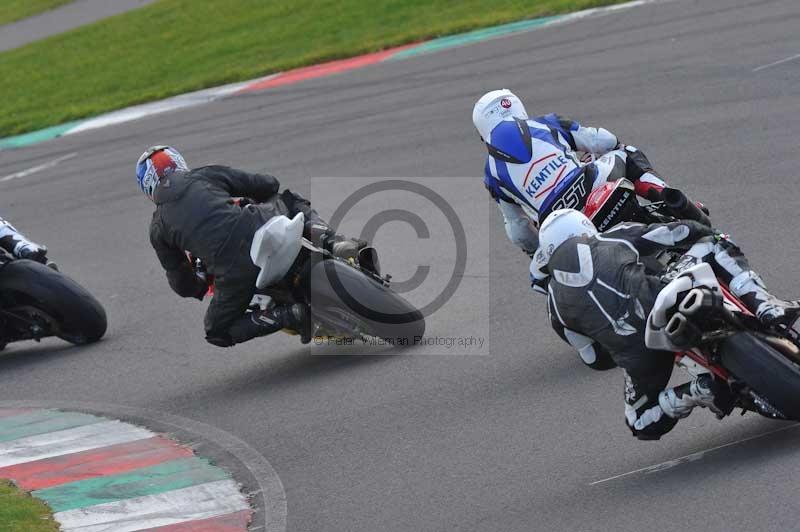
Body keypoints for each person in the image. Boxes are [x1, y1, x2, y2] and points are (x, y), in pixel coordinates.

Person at [535, 208, 800, 440]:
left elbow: (595, 359)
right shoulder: (610, 237)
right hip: (660, 298)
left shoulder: (554, 308)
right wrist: (700, 226)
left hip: (640, 355)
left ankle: (698, 391)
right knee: (713, 242)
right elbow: (678, 232)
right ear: (584, 226)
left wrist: (617, 340)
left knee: (639, 420)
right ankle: (766, 305)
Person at [137, 145, 365, 348]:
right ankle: (332, 241)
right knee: (287, 199)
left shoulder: (158, 228)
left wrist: (199, 283)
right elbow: (268, 184)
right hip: (260, 224)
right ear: (178, 162)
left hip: (233, 271)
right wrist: (249, 199)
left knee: (216, 331)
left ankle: (290, 315)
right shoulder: (204, 175)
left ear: (147, 186)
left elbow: (182, 284)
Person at [472, 89, 681, 259]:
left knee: (548, 276)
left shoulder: (491, 174)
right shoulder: (545, 123)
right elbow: (602, 140)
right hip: (591, 188)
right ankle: (674, 202)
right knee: (626, 153)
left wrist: (537, 252)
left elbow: (519, 230)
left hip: (561, 229)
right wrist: (615, 146)